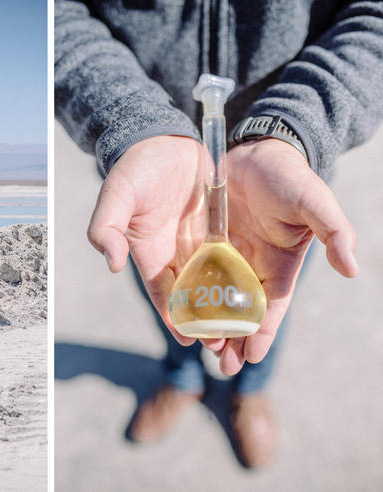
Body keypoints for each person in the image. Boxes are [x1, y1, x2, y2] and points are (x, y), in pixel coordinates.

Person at [55, 0, 383, 468]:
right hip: (155, 184)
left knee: (267, 298)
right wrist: (133, 122)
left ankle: (249, 391)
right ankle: (183, 378)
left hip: (279, 184)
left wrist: (294, 127)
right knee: (170, 290)